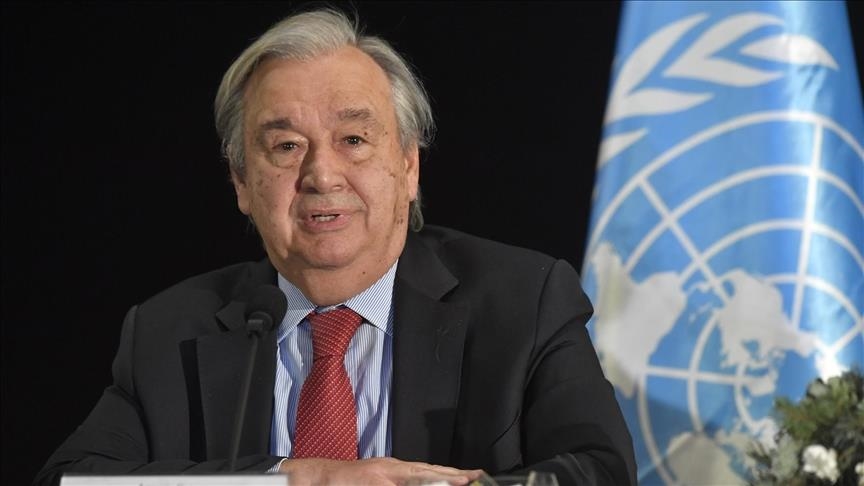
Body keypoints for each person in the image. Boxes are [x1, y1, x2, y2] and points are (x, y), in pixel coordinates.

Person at [34, 8, 635, 486]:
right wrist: (296, 478)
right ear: (242, 183)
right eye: (286, 146)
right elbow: (71, 480)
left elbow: (599, 471)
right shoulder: (169, 332)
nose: (322, 174)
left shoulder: (523, 302)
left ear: (408, 166)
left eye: (353, 139)